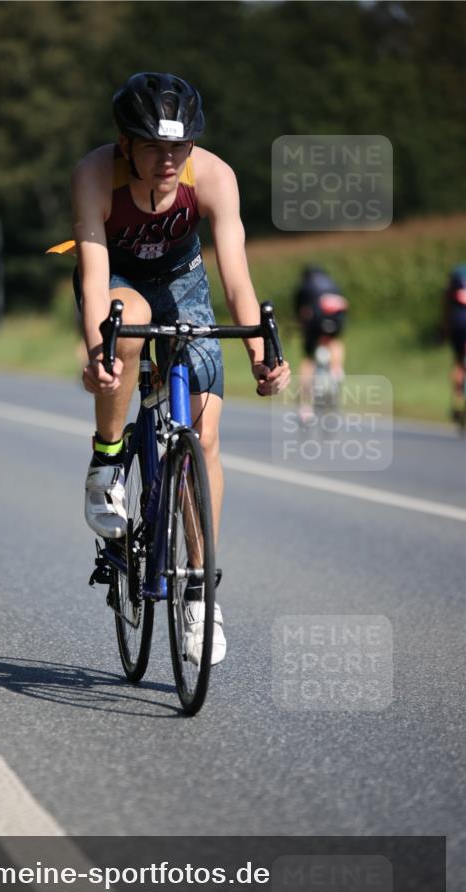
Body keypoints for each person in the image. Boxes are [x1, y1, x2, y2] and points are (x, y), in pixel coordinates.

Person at [67, 72, 290, 666]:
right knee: (126, 321)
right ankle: (109, 459)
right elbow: (92, 278)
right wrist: (100, 354)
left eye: (178, 146)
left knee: (205, 435)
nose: (168, 160)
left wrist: (262, 356)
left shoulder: (213, 176)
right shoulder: (95, 175)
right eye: (152, 146)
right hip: (118, 282)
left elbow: (236, 276)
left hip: (185, 284)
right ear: (124, 143)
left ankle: (198, 597)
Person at [293, 265, 348, 422]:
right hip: (337, 317)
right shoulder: (332, 283)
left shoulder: (305, 286)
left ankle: (305, 406)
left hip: (316, 319)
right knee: (334, 341)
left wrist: (302, 328)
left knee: (309, 358)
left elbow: (301, 312)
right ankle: (336, 369)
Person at [441, 264, 466, 427]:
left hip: (458, 320)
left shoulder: (458, 272)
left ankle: (457, 402)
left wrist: (444, 327)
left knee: (458, 362)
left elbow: (446, 300)